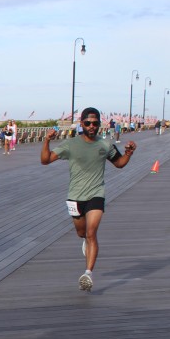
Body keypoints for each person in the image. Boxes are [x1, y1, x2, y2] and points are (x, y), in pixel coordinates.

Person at [40, 107, 135, 291]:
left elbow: (119, 163)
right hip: (75, 196)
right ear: (81, 124)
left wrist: (129, 153)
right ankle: (85, 240)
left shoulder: (105, 144)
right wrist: (47, 140)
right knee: (82, 232)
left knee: (92, 233)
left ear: (99, 124)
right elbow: (45, 160)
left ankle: (88, 274)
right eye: (88, 123)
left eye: (95, 123)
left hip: (96, 194)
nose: (92, 126)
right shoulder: (71, 144)